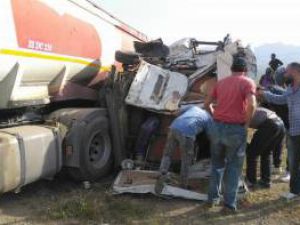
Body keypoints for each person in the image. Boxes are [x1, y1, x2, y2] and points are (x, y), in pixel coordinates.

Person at [205, 57, 257, 211]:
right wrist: (246, 124)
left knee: (216, 165)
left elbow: (206, 103)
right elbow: (252, 104)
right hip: (235, 129)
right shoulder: (247, 82)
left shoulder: (221, 83)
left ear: (231, 69)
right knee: (234, 167)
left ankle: (212, 199)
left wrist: (214, 114)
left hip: (217, 127)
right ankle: (229, 205)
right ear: (245, 70)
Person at [258, 62, 300, 199]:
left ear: (294, 72)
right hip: (293, 131)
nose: (285, 75)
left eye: (287, 72)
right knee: (294, 163)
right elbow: (281, 99)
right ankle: (294, 192)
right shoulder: (290, 88)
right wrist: (264, 93)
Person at [159, 106, 213, 188]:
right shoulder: (209, 118)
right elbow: (210, 136)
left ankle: (162, 174)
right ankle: (183, 184)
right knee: (186, 160)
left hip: (173, 127)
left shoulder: (193, 107)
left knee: (167, 154)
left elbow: (176, 113)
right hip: (187, 133)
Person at [246, 107, 285, 188]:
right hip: (280, 123)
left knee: (252, 153)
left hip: (269, 124)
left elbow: (240, 131)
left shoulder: (239, 111)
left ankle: (251, 181)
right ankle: (266, 181)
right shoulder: (250, 107)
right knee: (266, 153)